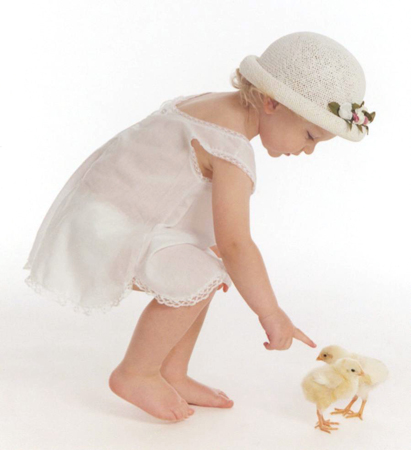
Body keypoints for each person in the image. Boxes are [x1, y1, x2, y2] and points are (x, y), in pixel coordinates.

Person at [22, 31, 374, 423]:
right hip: (110, 226)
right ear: (272, 102)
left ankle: (172, 372)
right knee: (200, 275)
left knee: (204, 269)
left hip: (105, 208)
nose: (308, 150)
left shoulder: (211, 106)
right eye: (311, 136)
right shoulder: (230, 146)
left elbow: (175, 182)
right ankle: (136, 372)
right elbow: (237, 244)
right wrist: (271, 313)